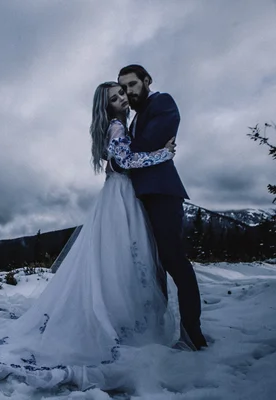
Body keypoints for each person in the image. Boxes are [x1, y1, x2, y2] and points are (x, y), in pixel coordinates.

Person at [0, 81, 182, 391]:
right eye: (114, 97)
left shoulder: (119, 125)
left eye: (122, 94)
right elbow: (125, 162)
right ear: (107, 106)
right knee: (119, 257)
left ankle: (120, 313)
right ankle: (118, 319)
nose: (122, 99)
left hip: (120, 196)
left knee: (120, 258)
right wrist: (162, 155)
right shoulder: (116, 127)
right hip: (121, 197)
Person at [118, 64, 208, 350]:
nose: (128, 92)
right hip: (141, 195)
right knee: (152, 264)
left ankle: (192, 332)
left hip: (162, 193)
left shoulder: (163, 102)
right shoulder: (135, 117)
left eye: (132, 85)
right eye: (123, 88)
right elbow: (136, 149)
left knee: (173, 260)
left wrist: (119, 151)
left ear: (147, 81)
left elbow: (146, 143)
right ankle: (159, 328)